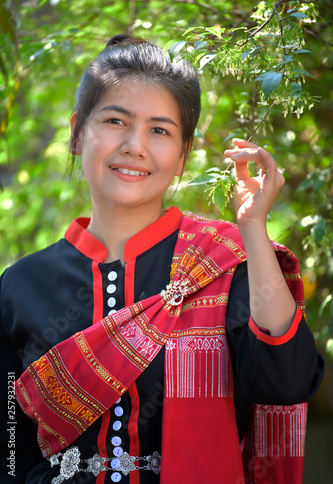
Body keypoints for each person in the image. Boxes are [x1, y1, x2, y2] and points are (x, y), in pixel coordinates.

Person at [0, 34, 324, 484]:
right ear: (77, 133)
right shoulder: (19, 286)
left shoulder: (224, 268)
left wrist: (252, 229)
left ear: (183, 156)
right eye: (115, 120)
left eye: (159, 130)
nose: (135, 145)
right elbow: (10, 452)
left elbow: (285, 383)